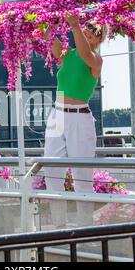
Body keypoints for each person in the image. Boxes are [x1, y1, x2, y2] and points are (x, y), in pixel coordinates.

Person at [44, 12, 108, 226]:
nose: (89, 29)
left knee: (82, 178)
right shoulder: (68, 54)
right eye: (87, 26)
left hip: (80, 118)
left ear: (100, 39)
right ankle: (59, 227)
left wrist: (75, 27)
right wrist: (50, 22)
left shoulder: (96, 60)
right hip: (57, 115)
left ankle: (84, 227)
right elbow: (50, 40)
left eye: (94, 30)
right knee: (52, 173)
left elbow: (85, 54)